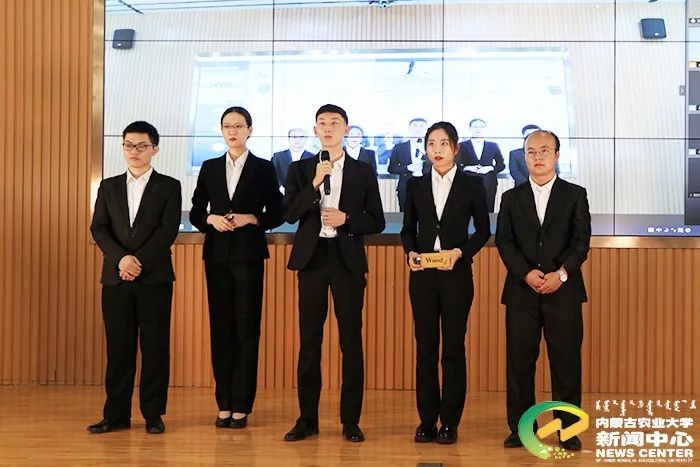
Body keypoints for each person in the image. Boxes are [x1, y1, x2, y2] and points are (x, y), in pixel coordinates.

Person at [282, 104, 385, 443]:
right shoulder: (300, 169)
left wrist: (347, 220)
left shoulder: (363, 171)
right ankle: (307, 419)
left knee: (350, 341)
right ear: (315, 130)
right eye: (322, 123)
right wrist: (314, 183)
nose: (328, 128)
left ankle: (350, 421)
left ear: (346, 129)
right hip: (312, 260)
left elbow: (377, 220)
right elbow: (290, 213)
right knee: (309, 342)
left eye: (334, 123)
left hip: (347, 261)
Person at [496, 130, 591, 451]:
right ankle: (521, 428)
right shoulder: (511, 198)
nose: (538, 157)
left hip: (563, 292)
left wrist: (560, 274)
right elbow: (504, 241)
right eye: (531, 152)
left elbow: (581, 242)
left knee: (566, 364)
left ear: (557, 155)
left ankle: (568, 430)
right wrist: (525, 273)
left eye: (544, 150)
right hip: (521, 292)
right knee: (520, 364)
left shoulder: (575, 194)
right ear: (524, 157)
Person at [190, 106, 284, 429]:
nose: (233, 131)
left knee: (246, 328)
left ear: (250, 130)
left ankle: (242, 403)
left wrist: (252, 218)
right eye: (227, 126)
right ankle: (224, 402)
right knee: (221, 329)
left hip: (248, 255)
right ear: (221, 130)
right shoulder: (209, 167)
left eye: (239, 126)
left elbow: (278, 211)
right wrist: (210, 219)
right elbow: (195, 211)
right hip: (216, 256)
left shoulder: (264, 167)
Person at [88, 121, 182, 435]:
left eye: (142, 145)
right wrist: (122, 259)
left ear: (155, 149)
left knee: (155, 347)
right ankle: (116, 414)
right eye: (129, 145)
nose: (134, 151)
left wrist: (138, 260)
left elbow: (167, 230)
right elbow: (99, 228)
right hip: (116, 278)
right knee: (118, 349)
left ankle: (153, 414)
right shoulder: (109, 186)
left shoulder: (169, 186)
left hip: (154, 278)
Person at [401, 121, 490, 444]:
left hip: (456, 274)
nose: (436, 150)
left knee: (452, 348)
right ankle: (426, 420)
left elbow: (483, 231)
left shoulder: (472, 184)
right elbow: (407, 229)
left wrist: (460, 252)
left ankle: (450, 422)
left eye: (443, 144)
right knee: (425, 348)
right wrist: (410, 252)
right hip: (423, 275)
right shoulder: (415, 184)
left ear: (456, 148)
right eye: (431, 144)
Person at [456, 118, 505, 212]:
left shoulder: (493, 145)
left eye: (481, 127)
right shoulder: (461, 145)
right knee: (467, 210)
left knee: (488, 209)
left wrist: (490, 168)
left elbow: (501, 164)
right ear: (470, 128)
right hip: (467, 181)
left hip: (488, 182)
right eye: (475, 127)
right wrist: (467, 168)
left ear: (485, 129)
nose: (478, 129)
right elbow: (455, 164)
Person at [388, 118, 430, 211]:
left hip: (429, 187)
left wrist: (425, 153)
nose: (418, 128)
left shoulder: (433, 147)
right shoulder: (399, 147)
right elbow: (391, 168)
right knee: (406, 215)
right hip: (406, 187)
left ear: (427, 129)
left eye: (422, 126)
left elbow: (441, 165)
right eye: (415, 126)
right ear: (409, 129)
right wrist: (408, 168)